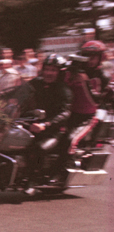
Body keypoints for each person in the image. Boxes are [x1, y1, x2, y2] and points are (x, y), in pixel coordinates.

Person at [21, 54, 72, 184]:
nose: (49, 73)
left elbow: (64, 114)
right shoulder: (36, 83)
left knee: (38, 148)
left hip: (53, 130)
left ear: (60, 72)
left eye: (53, 70)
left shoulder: (64, 91)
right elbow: (20, 92)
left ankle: (32, 180)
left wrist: (45, 124)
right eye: (47, 69)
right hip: (32, 123)